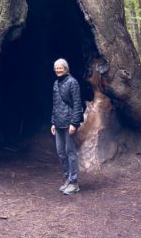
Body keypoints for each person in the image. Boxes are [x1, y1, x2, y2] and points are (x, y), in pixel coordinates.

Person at [51, 58, 83, 195]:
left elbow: (77, 103)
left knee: (70, 153)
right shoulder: (55, 83)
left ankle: (74, 183)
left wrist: (74, 123)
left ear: (66, 68)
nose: (58, 70)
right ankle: (67, 179)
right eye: (56, 68)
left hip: (69, 123)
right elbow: (55, 104)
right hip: (58, 123)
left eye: (60, 67)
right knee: (61, 152)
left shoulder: (73, 82)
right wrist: (53, 122)